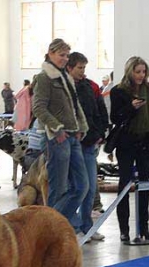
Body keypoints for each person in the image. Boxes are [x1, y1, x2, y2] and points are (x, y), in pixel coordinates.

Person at [32, 38, 89, 222]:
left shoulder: (66, 78)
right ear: (50, 53)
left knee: (82, 186)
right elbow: (39, 108)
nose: (65, 59)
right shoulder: (43, 78)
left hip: (72, 136)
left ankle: (54, 224)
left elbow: (75, 105)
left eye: (66, 55)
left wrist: (81, 127)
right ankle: (51, 228)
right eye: (61, 55)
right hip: (56, 138)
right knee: (57, 189)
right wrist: (57, 129)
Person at [110, 56, 149, 242]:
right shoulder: (118, 91)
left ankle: (144, 228)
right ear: (130, 72)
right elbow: (115, 117)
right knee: (124, 184)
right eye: (137, 71)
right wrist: (130, 107)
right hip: (126, 143)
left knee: (144, 185)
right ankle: (124, 229)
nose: (141, 75)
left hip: (146, 143)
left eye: (143, 72)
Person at [66, 52, 107, 242]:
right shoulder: (64, 87)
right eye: (79, 68)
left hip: (90, 143)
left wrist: (99, 134)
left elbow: (100, 112)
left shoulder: (91, 87)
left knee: (90, 188)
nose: (83, 71)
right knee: (75, 188)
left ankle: (87, 227)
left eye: (84, 68)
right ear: (70, 68)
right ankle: (71, 225)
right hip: (71, 144)